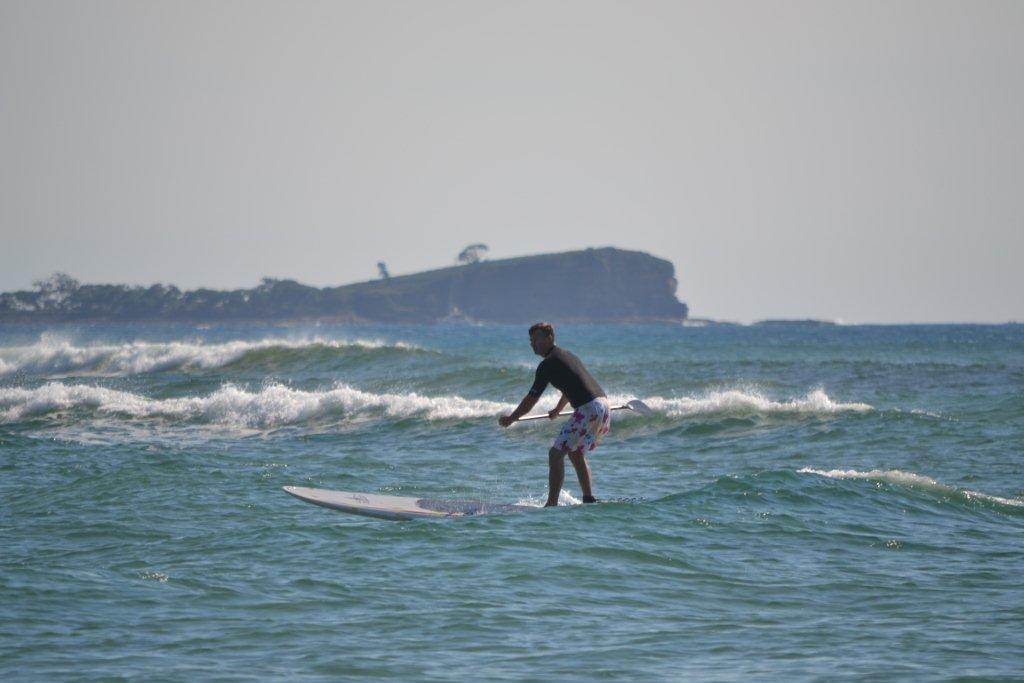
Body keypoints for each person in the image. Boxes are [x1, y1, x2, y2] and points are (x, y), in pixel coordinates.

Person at [499, 322, 611, 507]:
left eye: (537, 339)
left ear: (550, 338)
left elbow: (531, 399)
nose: (533, 344)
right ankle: (589, 499)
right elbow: (571, 386)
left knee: (555, 454)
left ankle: (551, 504)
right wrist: (558, 409)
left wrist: (512, 418)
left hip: (589, 408)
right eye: (531, 341)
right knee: (575, 452)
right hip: (603, 405)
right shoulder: (568, 356)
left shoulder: (547, 365)